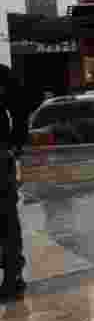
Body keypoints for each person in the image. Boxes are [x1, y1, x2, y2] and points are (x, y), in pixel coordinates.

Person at [0, 64, 30, 303]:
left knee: (6, 217)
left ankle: (13, 275)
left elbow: (20, 110)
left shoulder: (2, 75)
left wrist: (16, 145)